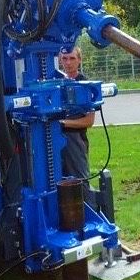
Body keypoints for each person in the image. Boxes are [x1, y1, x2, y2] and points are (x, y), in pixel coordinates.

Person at [58, 46, 95, 201]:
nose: (68, 63)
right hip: (55, 138)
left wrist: (64, 123)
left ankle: (89, 212)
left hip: (75, 140)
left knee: (80, 181)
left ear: (79, 60)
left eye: (72, 58)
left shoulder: (85, 85)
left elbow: (89, 121)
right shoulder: (57, 82)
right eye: (65, 58)